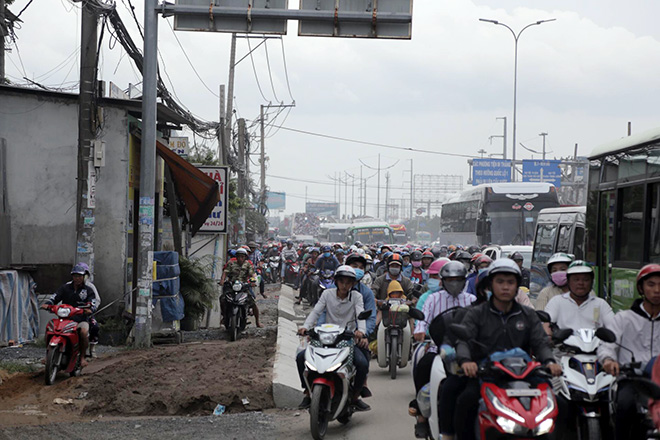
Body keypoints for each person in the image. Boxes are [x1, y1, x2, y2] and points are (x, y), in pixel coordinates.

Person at [454, 259, 562, 440]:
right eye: (500, 282)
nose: (505, 287)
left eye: (510, 282)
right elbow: (463, 341)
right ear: (491, 285)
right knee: (465, 402)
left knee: (558, 405)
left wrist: (550, 362)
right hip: (486, 374)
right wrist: (466, 361)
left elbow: (540, 343)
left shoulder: (527, 315)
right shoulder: (477, 314)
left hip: (525, 375)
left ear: (517, 286)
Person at [411, 261, 476, 439]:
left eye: (458, 279)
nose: (454, 283)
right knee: (422, 364)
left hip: (466, 351)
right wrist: (420, 331)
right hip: (436, 346)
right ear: (443, 281)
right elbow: (423, 319)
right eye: (450, 279)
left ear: (465, 281)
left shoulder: (471, 300)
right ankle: (421, 415)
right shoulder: (433, 298)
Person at [598, 264, 660, 440]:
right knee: (625, 406)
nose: (657, 290)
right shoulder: (624, 319)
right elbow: (607, 345)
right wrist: (609, 360)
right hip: (633, 380)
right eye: (651, 284)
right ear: (641, 288)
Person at [296, 265, 371, 411]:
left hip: (347, 340)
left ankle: (355, 396)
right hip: (325, 338)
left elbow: (360, 315)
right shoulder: (327, 294)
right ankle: (306, 392)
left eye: (348, 282)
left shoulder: (357, 297)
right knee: (300, 358)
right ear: (336, 281)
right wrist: (306, 326)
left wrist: (361, 331)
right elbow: (316, 311)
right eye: (342, 281)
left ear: (353, 284)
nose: (344, 285)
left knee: (362, 363)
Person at [42, 264, 98, 368]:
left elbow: (93, 303)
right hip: (64, 319)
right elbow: (55, 297)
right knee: (49, 327)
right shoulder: (65, 288)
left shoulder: (88, 290)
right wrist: (47, 304)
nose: (77, 278)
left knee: (84, 332)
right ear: (72, 276)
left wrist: (89, 309)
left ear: (84, 277)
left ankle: (82, 357)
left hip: (80, 319)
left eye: (80, 276)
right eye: (75, 276)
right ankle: (48, 355)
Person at [544, 260, 615, 333]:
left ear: (592, 282)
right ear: (568, 282)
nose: (580, 283)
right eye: (576, 280)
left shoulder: (601, 304)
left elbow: (614, 326)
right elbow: (547, 324)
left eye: (585, 280)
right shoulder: (556, 302)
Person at [220, 248, 264, 328]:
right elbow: (225, 272)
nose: (240, 258)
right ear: (236, 257)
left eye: (242, 257)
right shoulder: (231, 264)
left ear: (245, 257)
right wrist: (222, 281)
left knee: (252, 302)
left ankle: (257, 321)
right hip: (231, 285)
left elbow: (253, 273)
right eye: (239, 256)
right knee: (223, 299)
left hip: (243, 286)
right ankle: (224, 316)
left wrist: (254, 281)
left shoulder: (248, 264)